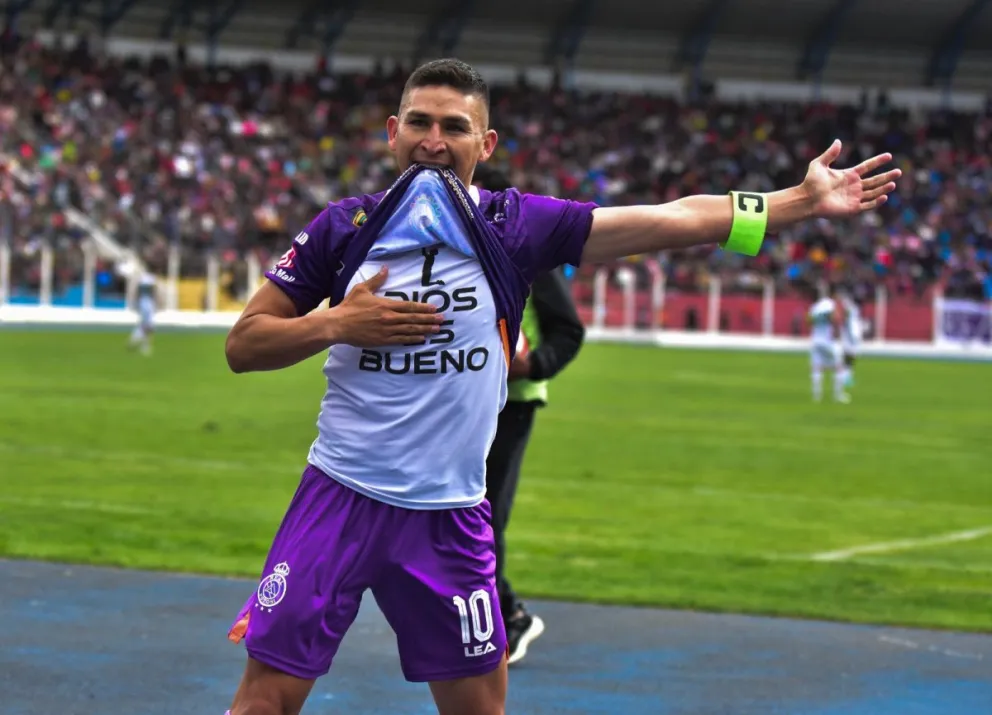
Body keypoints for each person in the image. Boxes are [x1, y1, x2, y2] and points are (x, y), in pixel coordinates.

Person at [222, 58, 898, 715]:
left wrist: (797, 203)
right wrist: (337, 323)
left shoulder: (516, 227)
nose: (434, 142)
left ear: (484, 145)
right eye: (420, 123)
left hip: (450, 515)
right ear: (391, 132)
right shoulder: (344, 229)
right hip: (338, 498)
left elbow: (670, 219)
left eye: (454, 127)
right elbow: (243, 345)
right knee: (263, 703)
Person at [473, 165, 586, 666]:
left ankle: (506, 618)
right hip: (460, 398)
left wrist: (531, 364)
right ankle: (492, 615)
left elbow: (568, 332)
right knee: (452, 514)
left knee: (484, 516)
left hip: (512, 402)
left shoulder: (530, 255)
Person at [807, 284, 851, 403]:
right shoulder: (830, 305)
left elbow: (809, 321)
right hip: (827, 340)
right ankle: (838, 395)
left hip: (815, 339)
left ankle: (817, 396)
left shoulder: (815, 307)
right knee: (839, 367)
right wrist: (838, 331)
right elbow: (835, 319)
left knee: (816, 368)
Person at [128, 270, 157, 356]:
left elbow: (138, 292)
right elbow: (152, 292)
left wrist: (135, 302)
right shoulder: (151, 279)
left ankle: (135, 341)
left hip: (142, 303)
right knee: (147, 326)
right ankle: (143, 345)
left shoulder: (142, 279)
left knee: (145, 325)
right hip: (148, 303)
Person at [837, 287, 862, 389]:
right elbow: (846, 320)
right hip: (849, 335)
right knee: (848, 355)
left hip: (852, 334)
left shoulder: (853, 308)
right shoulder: (847, 308)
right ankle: (844, 377)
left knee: (851, 356)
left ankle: (846, 376)